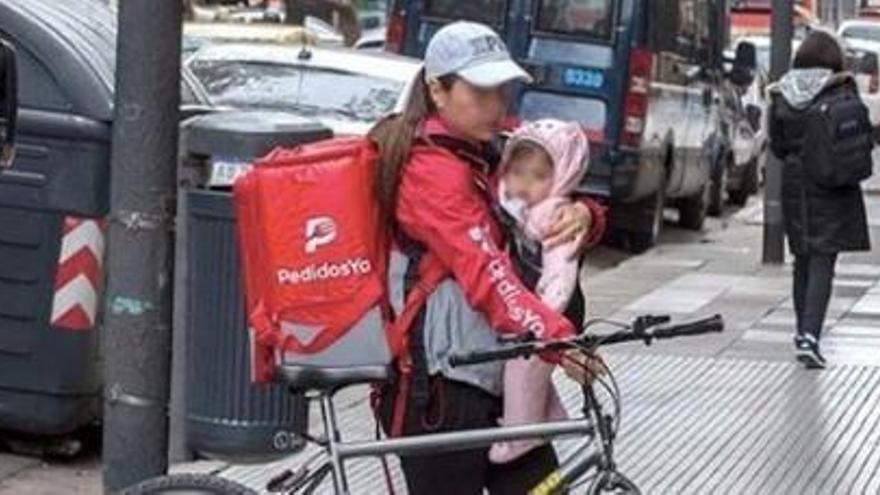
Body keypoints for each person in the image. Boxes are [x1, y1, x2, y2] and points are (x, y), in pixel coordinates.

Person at [368, 21, 606, 494]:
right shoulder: (429, 171)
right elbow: (487, 273)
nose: (496, 106)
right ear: (437, 89)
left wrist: (585, 213)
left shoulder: (476, 155)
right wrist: (558, 341)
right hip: (440, 391)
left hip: (492, 375)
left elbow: (537, 213)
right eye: (480, 92)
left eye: (502, 91)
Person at [768, 30, 872, 369]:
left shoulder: (783, 92)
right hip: (831, 183)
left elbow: (778, 145)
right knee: (824, 261)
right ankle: (810, 336)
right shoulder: (840, 88)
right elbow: (860, 134)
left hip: (795, 183)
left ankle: (803, 333)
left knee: (802, 259)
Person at [489, 119, 590, 464]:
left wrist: (542, 320)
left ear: (562, 176)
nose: (524, 184)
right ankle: (548, 416)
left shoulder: (556, 216)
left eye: (538, 176)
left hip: (538, 320)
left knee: (523, 372)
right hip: (526, 317)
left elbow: (561, 277)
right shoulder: (518, 207)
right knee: (529, 379)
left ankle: (520, 435)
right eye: (517, 173)